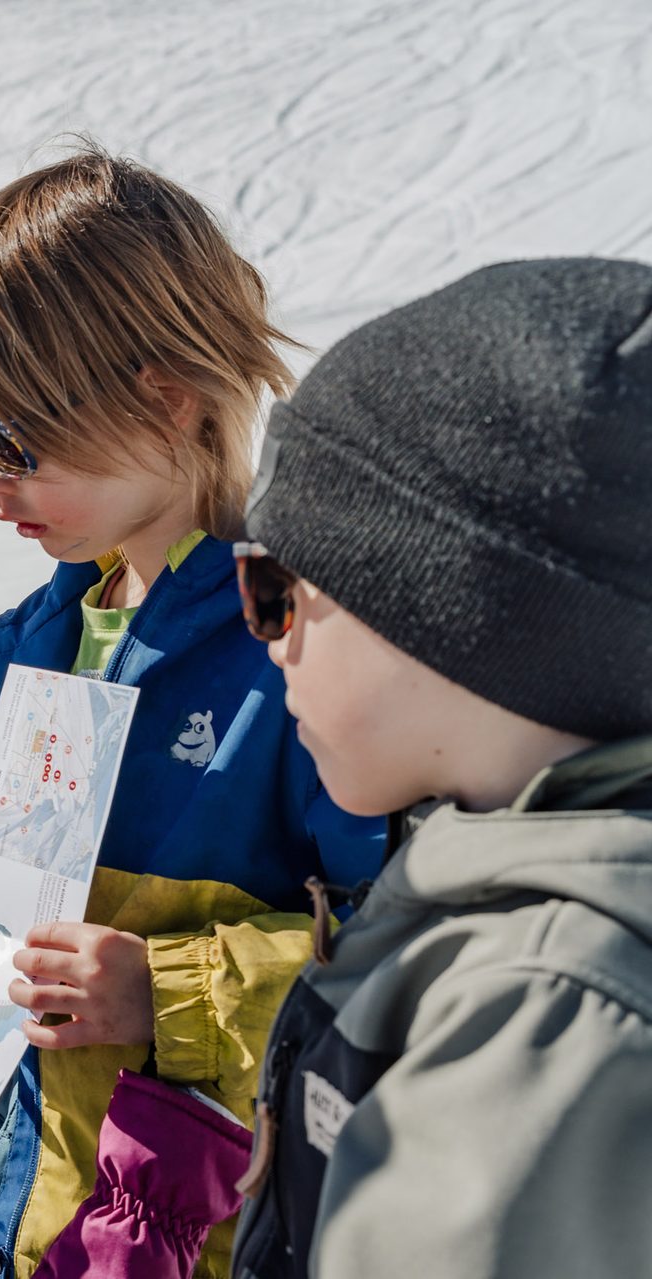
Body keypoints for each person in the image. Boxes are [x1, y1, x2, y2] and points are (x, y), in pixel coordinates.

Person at [0, 147, 384, 1279]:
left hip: (181, 1221)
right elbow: (18, 853)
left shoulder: (299, 646)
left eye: (8, 441)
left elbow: (395, 956)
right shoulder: (34, 633)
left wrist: (165, 989)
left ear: (163, 396)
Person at [228, 257, 652, 1278]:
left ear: (450, 611)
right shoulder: (504, 896)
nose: (269, 639)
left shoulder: (543, 1031)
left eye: (278, 587)